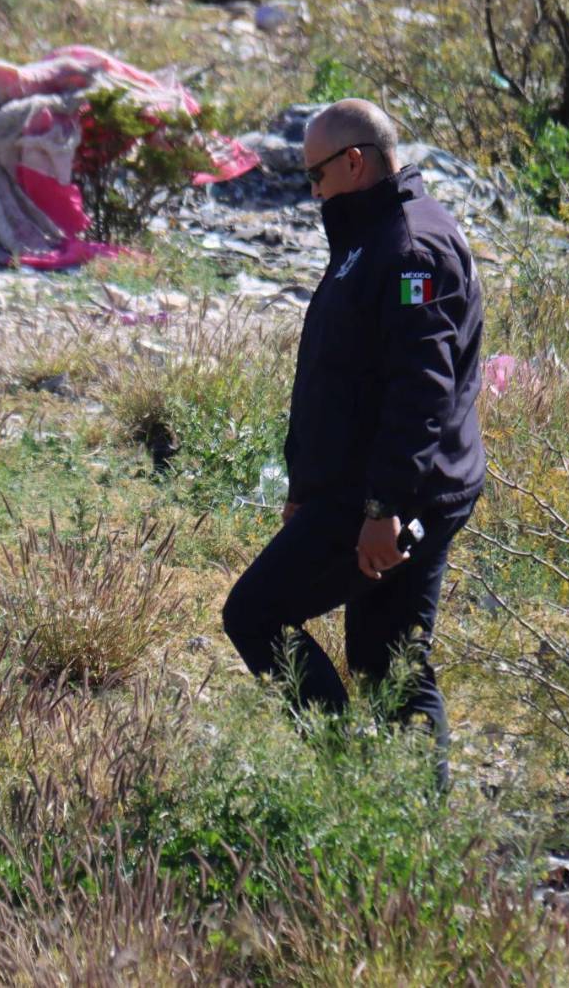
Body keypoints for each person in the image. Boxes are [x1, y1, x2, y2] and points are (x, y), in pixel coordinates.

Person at [221, 99, 485, 788]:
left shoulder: (409, 247)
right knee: (381, 660)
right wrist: (306, 490)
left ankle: (354, 787)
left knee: (257, 613)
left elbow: (419, 392)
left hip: (395, 497)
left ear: (355, 161)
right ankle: (383, 804)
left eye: (316, 176)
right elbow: (342, 376)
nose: (313, 193)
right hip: (356, 492)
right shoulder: (370, 235)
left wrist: (384, 508)